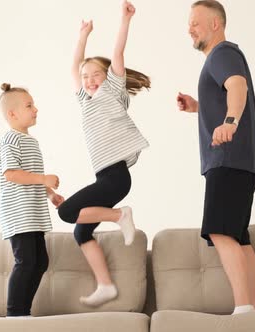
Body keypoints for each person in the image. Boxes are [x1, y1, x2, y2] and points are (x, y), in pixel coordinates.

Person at [57, 0, 150, 307]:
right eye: (86, 78)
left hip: (116, 177)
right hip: (106, 177)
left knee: (66, 212)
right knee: (81, 232)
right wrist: (82, 35)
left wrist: (125, 20)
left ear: (107, 76)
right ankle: (105, 285)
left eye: (95, 74)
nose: (89, 80)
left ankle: (120, 215)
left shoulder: (113, 91)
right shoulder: (85, 101)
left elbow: (118, 53)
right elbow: (73, 68)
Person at [176, 0, 255, 315]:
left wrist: (229, 123)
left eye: (195, 22)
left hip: (227, 160)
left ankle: (243, 308)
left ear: (215, 24)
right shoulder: (222, 57)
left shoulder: (222, 53)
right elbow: (228, 95)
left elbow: (237, 87)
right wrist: (197, 106)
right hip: (241, 161)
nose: (190, 29)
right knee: (239, 238)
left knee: (220, 231)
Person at [0, 83, 65, 316]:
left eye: (34, 105)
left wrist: (51, 194)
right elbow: (12, 174)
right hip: (19, 214)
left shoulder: (32, 142)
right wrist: (44, 178)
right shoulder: (10, 140)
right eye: (29, 105)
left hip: (33, 214)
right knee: (26, 262)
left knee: (40, 262)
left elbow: (33, 177)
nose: (35, 109)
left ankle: (22, 310)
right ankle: (15, 313)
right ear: (12, 114)